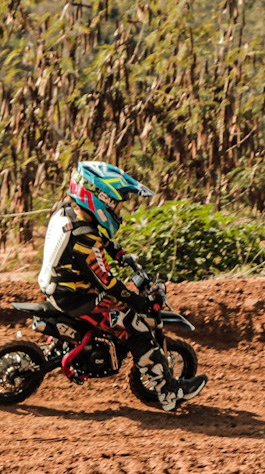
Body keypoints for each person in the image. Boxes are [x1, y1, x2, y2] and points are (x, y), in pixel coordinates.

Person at [37, 160, 207, 411]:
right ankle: (168, 391)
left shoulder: (67, 213)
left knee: (121, 313)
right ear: (100, 199)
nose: (118, 211)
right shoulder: (85, 237)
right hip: (77, 298)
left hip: (59, 289)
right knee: (136, 326)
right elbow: (107, 282)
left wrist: (115, 252)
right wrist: (140, 301)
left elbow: (95, 242)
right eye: (115, 205)